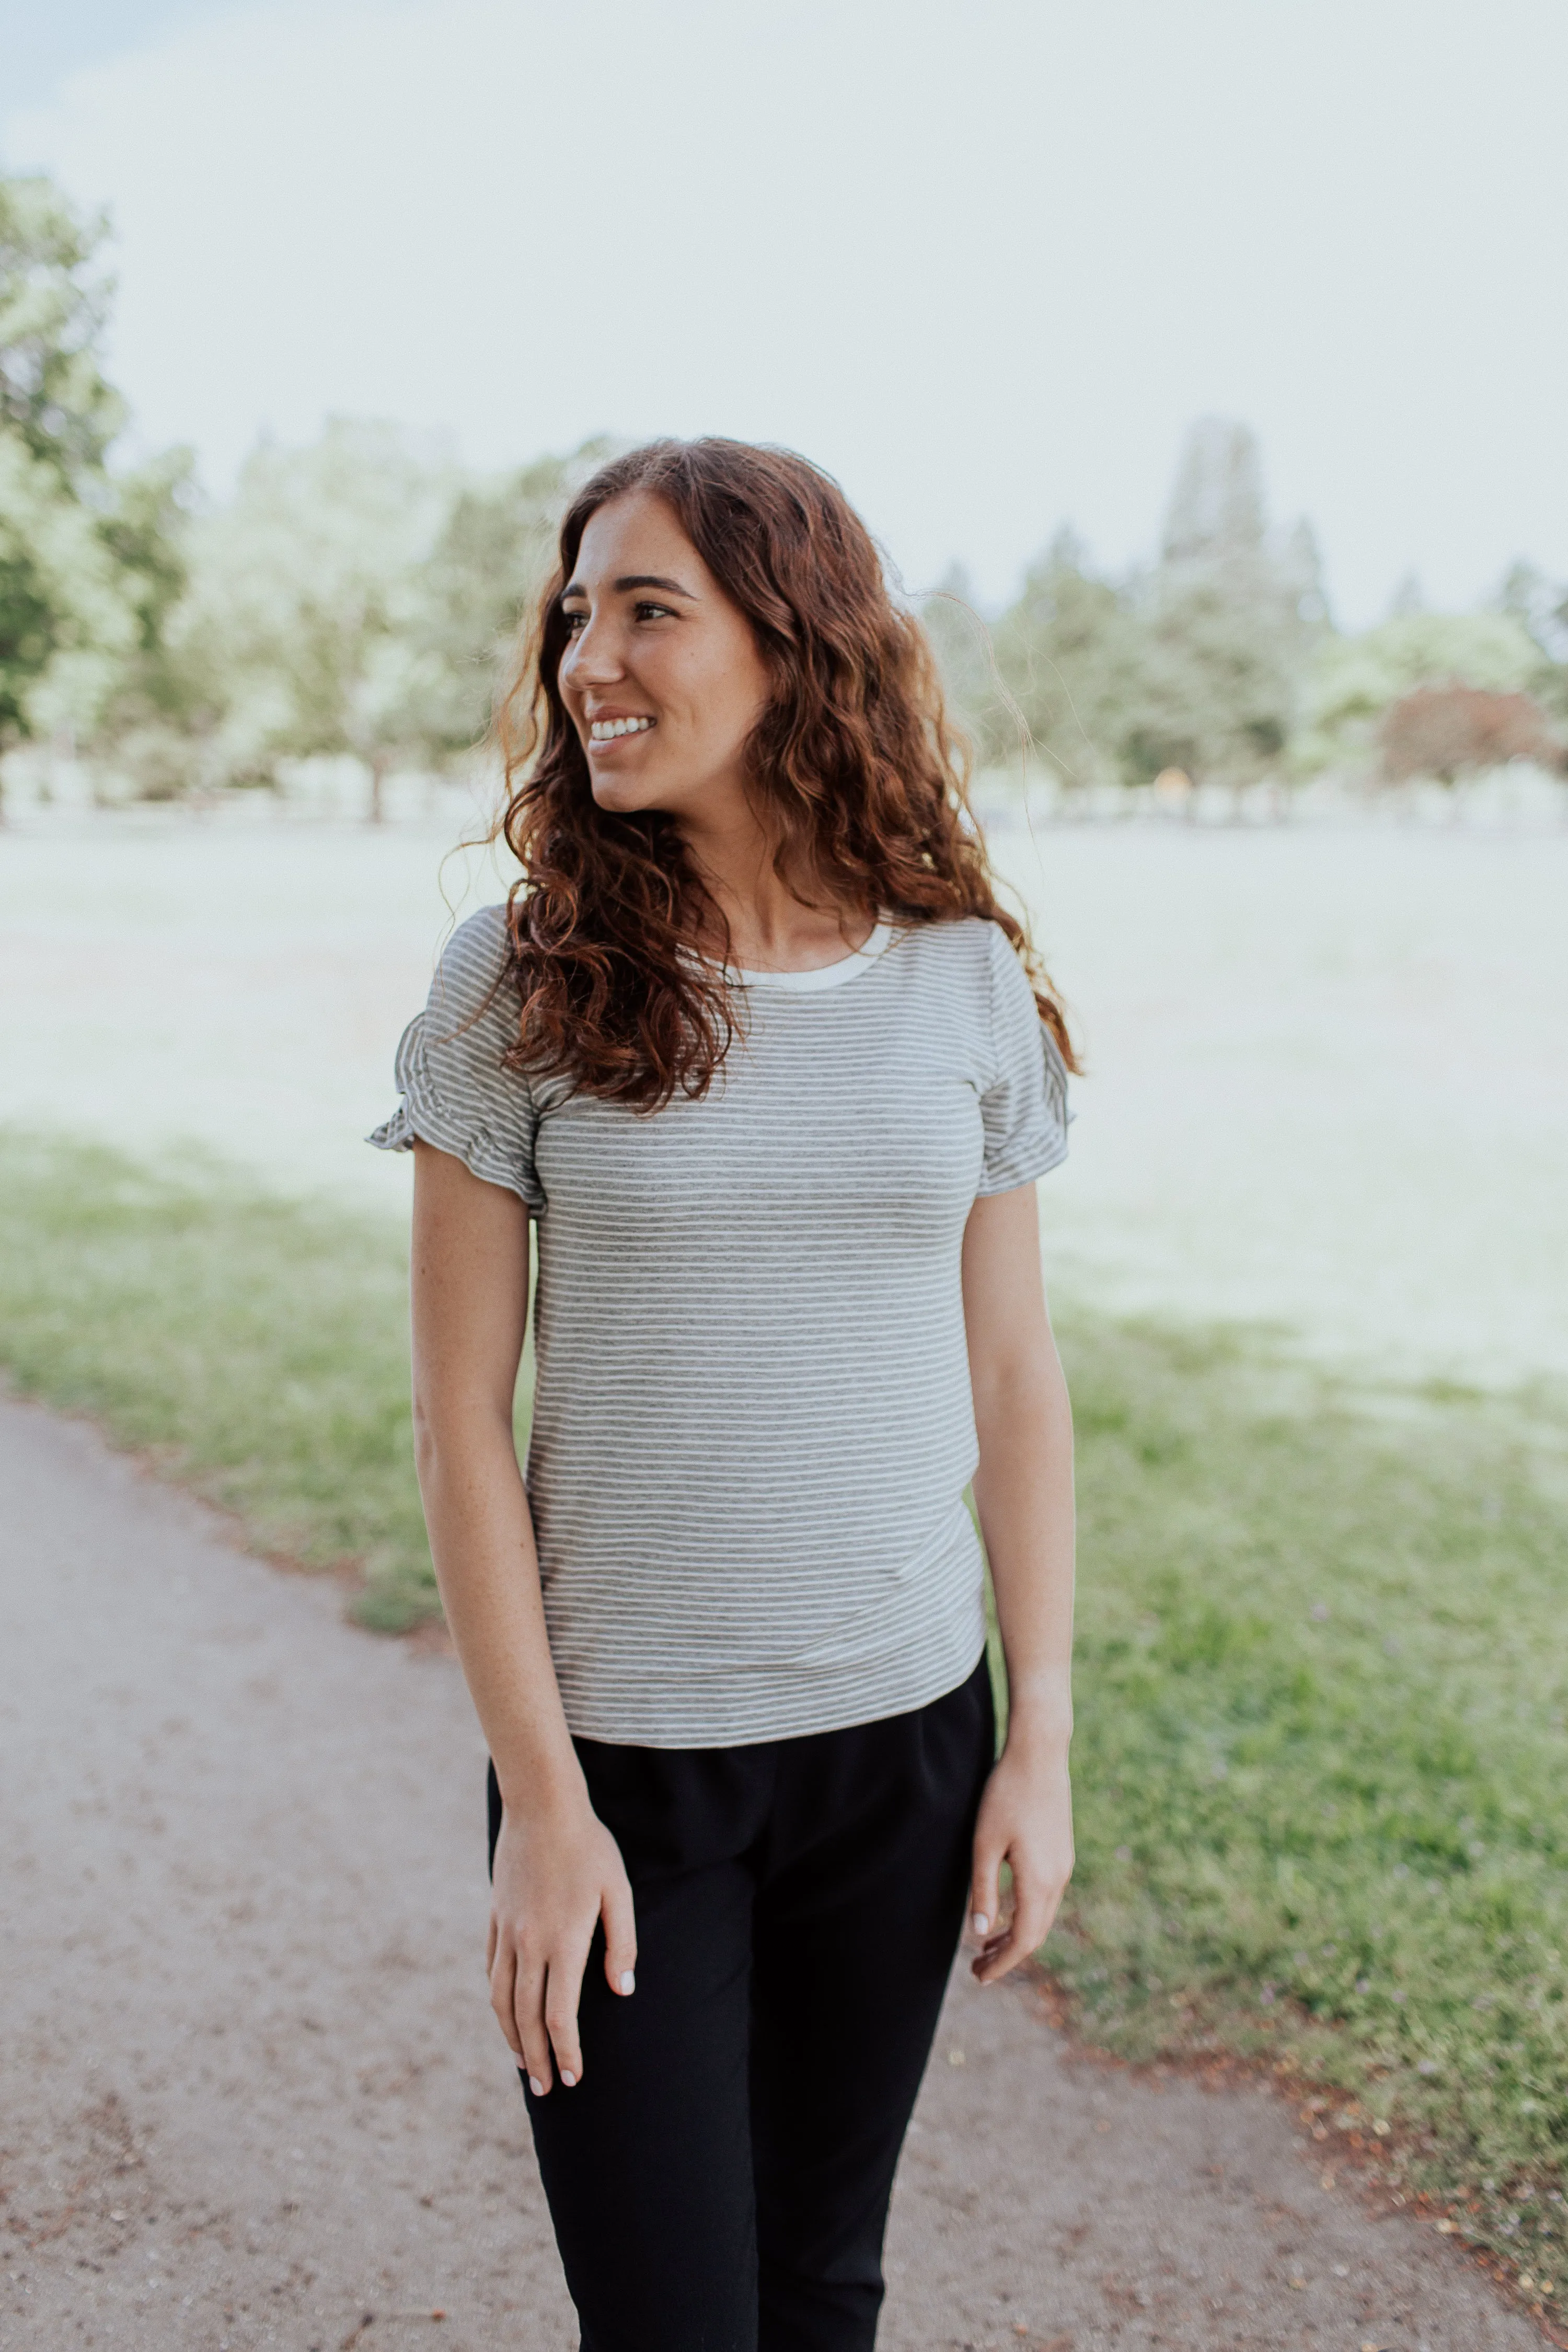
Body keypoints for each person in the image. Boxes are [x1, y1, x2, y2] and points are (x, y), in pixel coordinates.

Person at [371, 437, 1078, 2350]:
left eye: (649, 608)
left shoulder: (959, 979)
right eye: (576, 613)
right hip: (630, 1783)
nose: (590, 655)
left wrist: (1042, 1740)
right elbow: (456, 1425)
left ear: (795, 645)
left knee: (821, 2285)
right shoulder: (516, 980)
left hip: (909, 1744)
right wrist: (540, 1799)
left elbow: (1013, 1376)